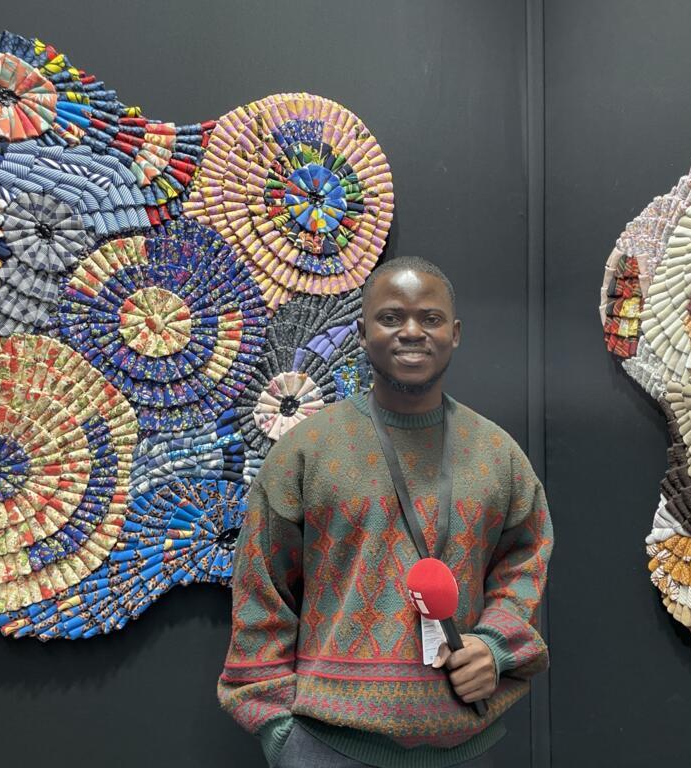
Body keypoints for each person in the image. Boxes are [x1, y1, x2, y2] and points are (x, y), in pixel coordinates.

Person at [219, 256, 553, 768]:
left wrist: (494, 646)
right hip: (325, 745)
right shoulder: (307, 449)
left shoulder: (497, 454)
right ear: (362, 332)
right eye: (391, 317)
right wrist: (279, 731)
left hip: (461, 748)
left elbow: (524, 562)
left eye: (430, 318)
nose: (412, 331)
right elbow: (259, 586)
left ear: (455, 333)